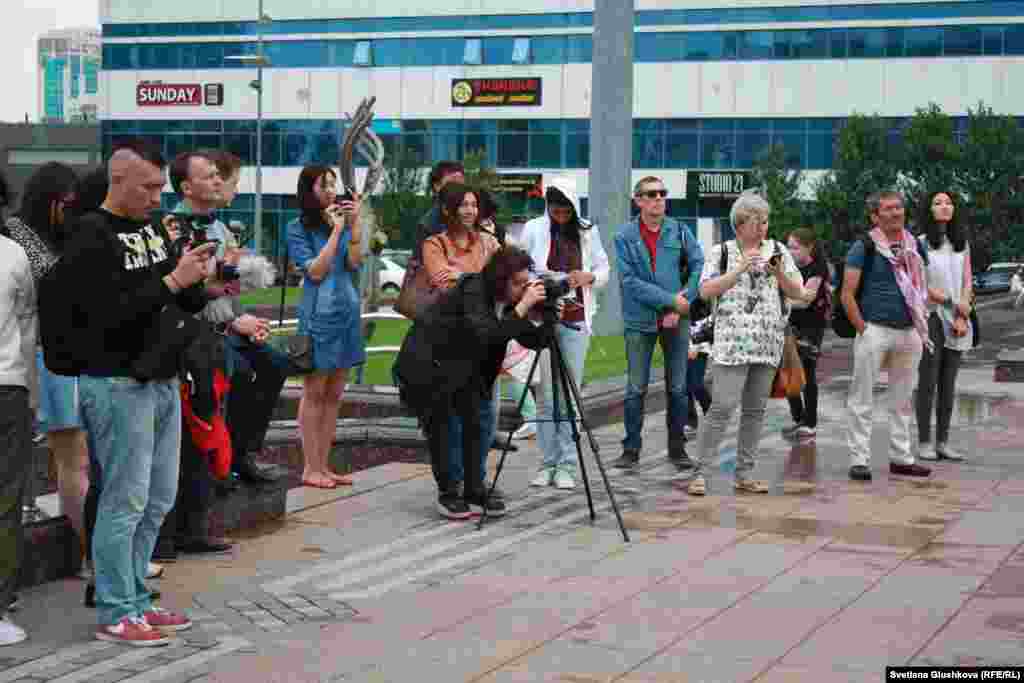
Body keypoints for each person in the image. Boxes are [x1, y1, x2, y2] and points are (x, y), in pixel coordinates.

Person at [61, 139, 215, 645]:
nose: (156, 196)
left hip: (162, 376)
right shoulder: (90, 235)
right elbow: (107, 313)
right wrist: (173, 281)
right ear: (119, 179)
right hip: (116, 381)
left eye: (159, 187)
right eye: (148, 187)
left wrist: (195, 277)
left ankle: (136, 597)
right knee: (124, 500)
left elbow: (177, 300)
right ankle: (114, 608)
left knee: (158, 497)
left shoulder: (151, 229)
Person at [394, 246, 547, 519]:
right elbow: (488, 334)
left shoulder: (510, 301)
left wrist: (549, 315)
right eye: (518, 283)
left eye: (527, 282)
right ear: (500, 279)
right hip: (430, 368)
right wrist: (523, 306)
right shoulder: (474, 291)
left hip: (466, 372)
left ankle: (475, 489)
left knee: (479, 425)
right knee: (447, 428)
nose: (523, 289)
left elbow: (533, 340)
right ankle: (449, 492)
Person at [3, 163, 91, 570]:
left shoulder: (55, 236)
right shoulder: (20, 238)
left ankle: (89, 549)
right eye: (66, 203)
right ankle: (91, 553)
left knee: (75, 455)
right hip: (38, 357)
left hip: (58, 355)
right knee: (69, 453)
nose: (71, 211)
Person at [691, 192, 805, 496]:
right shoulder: (722, 251)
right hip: (731, 344)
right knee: (723, 406)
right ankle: (700, 472)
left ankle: (745, 472)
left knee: (755, 410)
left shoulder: (778, 250)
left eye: (766, 222)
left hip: (767, 342)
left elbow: (800, 292)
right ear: (740, 224)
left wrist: (778, 272)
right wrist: (740, 268)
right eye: (758, 222)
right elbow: (705, 291)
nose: (763, 228)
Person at [518, 177, 610, 490]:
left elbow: (604, 270)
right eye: (554, 211)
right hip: (542, 319)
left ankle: (568, 464)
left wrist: (588, 277)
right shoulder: (533, 228)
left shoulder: (587, 231)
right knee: (545, 395)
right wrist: (540, 279)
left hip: (576, 319)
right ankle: (548, 461)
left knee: (568, 394)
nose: (559, 217)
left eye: (565, 212)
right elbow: (521, 268)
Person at [611, 176, 703, 471]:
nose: (658, 199)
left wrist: (683, 299)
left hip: (678, 319)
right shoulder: (624, 236)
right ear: (638, 200)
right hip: (639, 320)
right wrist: (668, 301)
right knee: (636, 387)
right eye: (651, 194)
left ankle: (677, 449)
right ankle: (631, 450)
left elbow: (700, 265)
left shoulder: (679, 231)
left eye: (662, 194)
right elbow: (629, 282)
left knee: (677, 387)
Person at [207, 150, 288, 483]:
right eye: (232, 182)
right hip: (206, 331)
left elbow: (231, 290)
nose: (235, 190)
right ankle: (220, 461)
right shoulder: (185, 229)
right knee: (238, 373)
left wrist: (246, 320)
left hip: (228, 327)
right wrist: (233, 323)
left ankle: (244, 453)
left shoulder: (223, 229)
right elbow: (195, 292)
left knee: (276, 364)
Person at [840, 190, 933, 482]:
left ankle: (902, 457)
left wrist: (923, 318)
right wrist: (864, 330)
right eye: (888, 209)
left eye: (899, 208)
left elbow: (921, 284)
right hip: (875, 329)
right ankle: (859, 460)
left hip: (910, 331)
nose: (896, 213)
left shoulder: (915, 244)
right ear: (875, 216)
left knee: (903, 399)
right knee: (862, 397)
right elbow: (847, 294)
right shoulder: (864, 246)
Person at [286, 165, 364, 490]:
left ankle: (324, 465)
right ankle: (310, 466)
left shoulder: (344, 224)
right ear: (309, 190)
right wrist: (335, 232)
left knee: (334, 393)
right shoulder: (296, 228)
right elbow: (315, 272)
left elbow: (355, 262)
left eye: (334, 184)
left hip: (346, 312)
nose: (332, 191)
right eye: (324, 185)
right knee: (315, 391)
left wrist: (355, 223)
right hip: (318, 315)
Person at [422, 183, 501, 500]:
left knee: (481, 415)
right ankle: (450, 487)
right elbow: (443, 284)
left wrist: (464, 276)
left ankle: (476, 483)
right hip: (448, 340)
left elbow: (503, 280)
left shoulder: (489, 241)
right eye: (463, 205)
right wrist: (482, 279)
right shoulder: (434, 244)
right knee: (451, 417)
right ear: (448, 210)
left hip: (483, 340)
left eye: (473, 204)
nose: (470, 210)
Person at [916, 190, 973, 462]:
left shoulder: (961, 243)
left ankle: (943, 442)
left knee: (949, 385)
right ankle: (924, 442)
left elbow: (968, 282)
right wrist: (953, 303)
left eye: (949, 203)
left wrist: (963, 314)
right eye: (938, 203)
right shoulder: (921, 244)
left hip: (958, 319)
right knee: (928, 381)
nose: (944, 207)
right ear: (929, 210)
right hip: (932, 316)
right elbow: (922, 287)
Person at [0, 229, 34, 645]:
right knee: (6, 502)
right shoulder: (12, 253)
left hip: (9, 387)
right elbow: (27, 324)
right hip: (8, 386)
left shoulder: (14, 253)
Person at [783, 228, 832, 441]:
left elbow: (805, 300)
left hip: (812, 325)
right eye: (788, 247)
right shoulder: (784, 262)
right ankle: (798, 418)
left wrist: (780, 303)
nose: (790, 251)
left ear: (809, 247)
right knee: (787, 371)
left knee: (807, 371)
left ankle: (810, 422)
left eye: (795, 247)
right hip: (788, 323)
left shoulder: (818, 268)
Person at [414, 161, 465, 258]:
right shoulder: (428, 225)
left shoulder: (479, 217)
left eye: (461, 184)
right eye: (453, 184)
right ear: (437, 186)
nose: (459, 189)